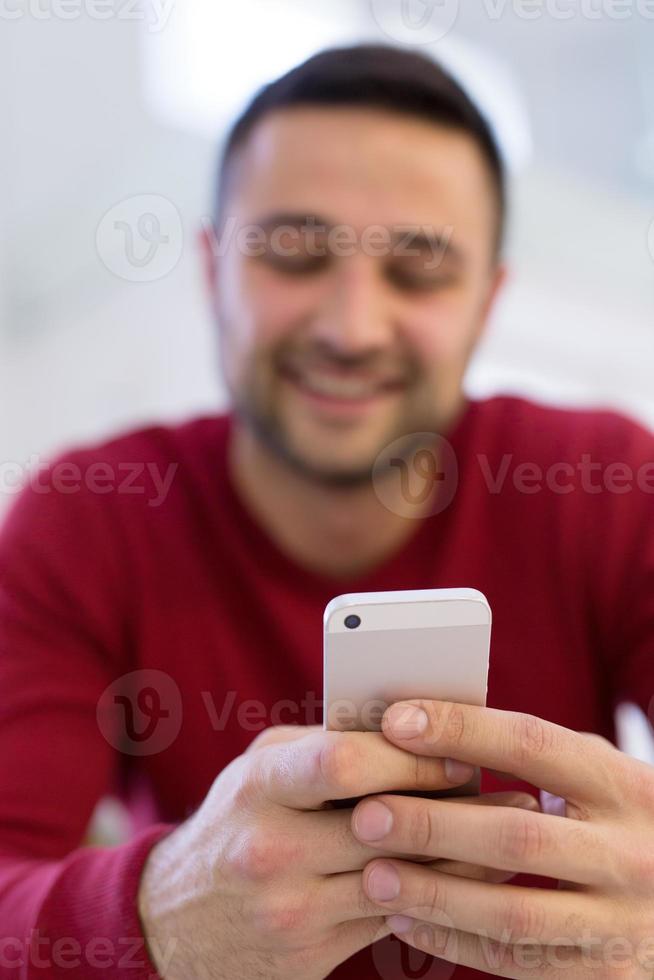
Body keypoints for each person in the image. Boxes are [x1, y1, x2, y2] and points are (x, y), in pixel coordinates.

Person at [0, 43, 653, 980]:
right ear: (210, 270)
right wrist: (156, 915)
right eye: (295, 255)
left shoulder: (611, 483)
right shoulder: (85, 520)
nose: (351, 327)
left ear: (486, 301)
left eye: (419, 271)